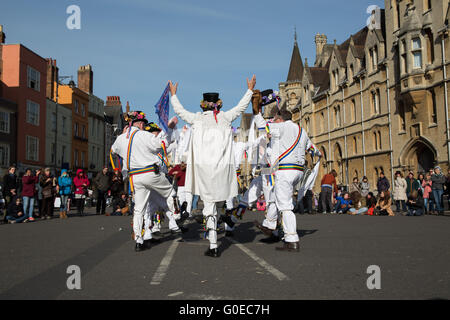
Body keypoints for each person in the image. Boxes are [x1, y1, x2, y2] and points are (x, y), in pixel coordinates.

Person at [169, 76, 255, 257]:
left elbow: (180, 111)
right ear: (218, 104)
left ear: (203, 105)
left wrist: (174, 95)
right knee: (218, 203)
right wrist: (249, 90)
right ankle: (217, 233)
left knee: (209, 205)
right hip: (222, 169)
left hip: (204, 169)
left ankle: (214, 245)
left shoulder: (197, 119)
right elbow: (241, 108)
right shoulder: (225, 118)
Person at [253, 89, 321, 252]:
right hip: (298, 171)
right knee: (277, 196)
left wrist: (256, 111)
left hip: (286, 170)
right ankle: (269, 224)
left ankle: (292, 239)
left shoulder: (281, 127)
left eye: (275, 119)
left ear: (281, 119)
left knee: (285, 206)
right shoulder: (302, 131)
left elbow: (263, 126)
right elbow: (315, 151)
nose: (274, 121)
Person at [111, 111, 178, 252]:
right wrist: (170, 128)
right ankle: (177, 215)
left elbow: (113, 151)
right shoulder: (144, 135)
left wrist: (122, 136)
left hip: (135, 177)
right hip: (150, 173)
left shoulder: (121, 138)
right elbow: (163, 144)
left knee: (139, 209)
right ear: (141, 124)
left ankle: (138, 241)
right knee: (170, 192)